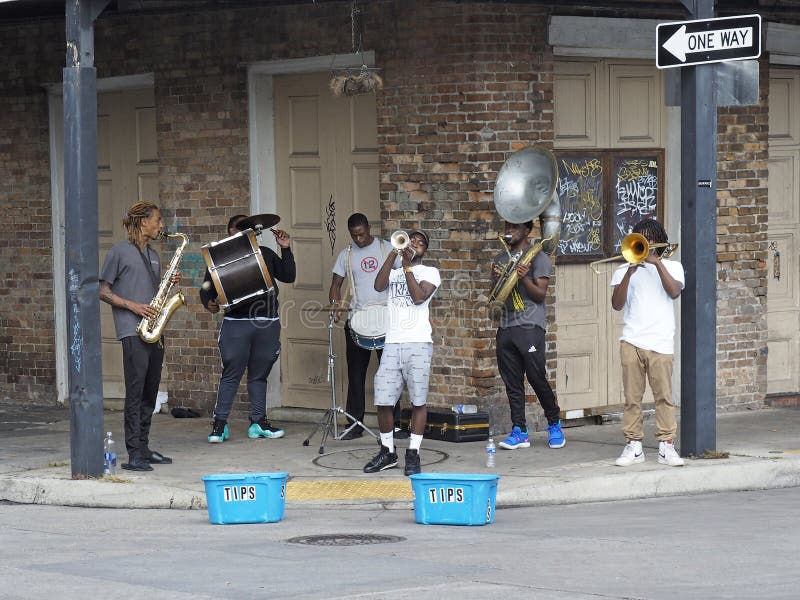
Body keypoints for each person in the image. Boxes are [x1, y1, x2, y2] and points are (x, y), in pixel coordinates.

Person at [99, 201, 182, 472]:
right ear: (142, 222)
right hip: (132, 331)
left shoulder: (154, 255)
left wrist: (170, 281)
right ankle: (133, 453)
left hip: (154, 331)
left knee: (150, 392)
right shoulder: (119, 252)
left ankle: (144, 448)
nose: (161, 225)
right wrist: (133, 306)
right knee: (135, 393)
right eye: (157, 220)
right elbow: (102, 290)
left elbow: (152, 290)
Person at [200, 215, 296, 444]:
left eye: (244, 230)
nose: (239, 234)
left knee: (259, 375)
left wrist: (286, 249)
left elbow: (289, 275)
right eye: (235, 230)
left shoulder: (264, 253)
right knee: (231, 374)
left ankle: (258, 423)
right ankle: (219, 425)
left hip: (267, 321)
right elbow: (206, 288)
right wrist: (208, 302)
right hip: (236, 323)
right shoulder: (220, 258)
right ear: (229, 232)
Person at [363, 230, 440, 476]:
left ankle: (413, 453)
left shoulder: (429, 272)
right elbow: (377, 285)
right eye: (412, 240)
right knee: (383, 399)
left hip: (418, 342)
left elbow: (418, 298)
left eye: (421, 242)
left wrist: (407, 267)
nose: (415, 243)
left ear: (425, 250)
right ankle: (387, 451)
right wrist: (394, 254)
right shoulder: (395, 271)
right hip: (392, 343)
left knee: (418, 400)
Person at [611, 218, 685, 467]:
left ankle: (667, 446)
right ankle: (634, 445)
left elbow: (675, 292)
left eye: (649, 238)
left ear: (658, 241)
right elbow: (616, 304)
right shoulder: (624, 270)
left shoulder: (673, 267)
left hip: (661, 341)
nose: (645, 243)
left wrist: (656, 264)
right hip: (632, 340)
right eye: (640, 238)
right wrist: (630, 271)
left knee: (664, 397)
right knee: (632, 398)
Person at [491, 220, 565, 451]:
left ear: (526, 231)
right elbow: (494, 297)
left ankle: (554, 424)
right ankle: (519, 431)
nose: (508, 230)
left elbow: (540, 294)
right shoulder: (500, 259)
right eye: (507, 226)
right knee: (512, 383)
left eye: (514, 227)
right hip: (506, 326)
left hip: (530, 326)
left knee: (536, 377)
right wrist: (496, 279)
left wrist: (522, 277)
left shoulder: (538, 257)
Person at [329, 213, 403, 440]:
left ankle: (395, 424)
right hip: (358, 319)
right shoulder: (346, 254)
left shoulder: (386, 248)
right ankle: (354, 424)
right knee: (356, 374)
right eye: (354, 235)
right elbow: (336, 284)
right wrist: (336, 305)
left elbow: (403, 277)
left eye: (361, 234)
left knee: (391, 373)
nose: (359, 239)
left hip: (386, 318)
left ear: (369, 228)